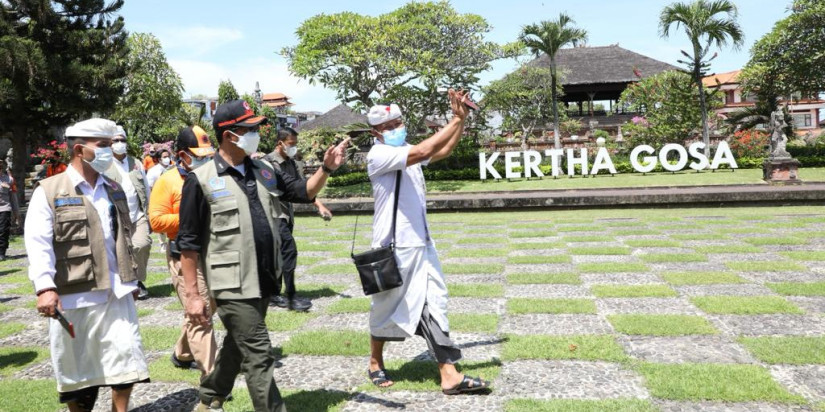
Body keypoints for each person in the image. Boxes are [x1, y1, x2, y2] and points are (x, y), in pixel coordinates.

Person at [177, 100, 349, 412]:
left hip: (265, 276)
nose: (258, 133)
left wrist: (326, 168)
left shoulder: (264, 170)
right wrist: (192, 296)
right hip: (230, 283)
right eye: (251, 129)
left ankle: (210, 394)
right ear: (230, 135)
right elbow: (187, 243)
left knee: (238, 344)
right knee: (259, 354)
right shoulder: (199, 179)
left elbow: (303, 192)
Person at [365, 91, 489, 395]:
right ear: (375, 132)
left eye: (399, 122)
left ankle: (449, 374)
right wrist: (455, 118)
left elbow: (442, 150)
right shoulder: (379, 155)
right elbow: (422, 151)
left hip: (421, 241)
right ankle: (374, 361)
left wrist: (463, 120)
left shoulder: (406, 148)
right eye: (389, 125)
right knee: (384, 307)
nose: (397, 128)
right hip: (394, 246)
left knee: (435, 301)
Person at [25, 118, 149, 412]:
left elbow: (125, 236)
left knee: (126, 363)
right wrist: (45, 287)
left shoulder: (114, 188)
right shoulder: (50, 190)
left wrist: (130, 279)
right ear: (80, 150)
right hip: (74, 297)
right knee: (79, 375)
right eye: (104, 145)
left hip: (116, 293)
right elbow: (38, 242)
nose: (112, 149)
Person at [149, 125, 218, 378]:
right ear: (182, 155)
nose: (204, 159)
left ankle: (183, 353)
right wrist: (190, 217)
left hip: (211, 250)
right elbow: (155, 221)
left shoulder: (213, 176)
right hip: (183, 253)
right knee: (202, 311)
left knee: (210, 303)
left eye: (207, 155)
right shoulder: (167, 181)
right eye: (198, 155)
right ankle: (212, 378)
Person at [264, 127, 333, 311]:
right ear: (280, 143)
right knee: (288, 250)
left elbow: (302, 189)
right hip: (272, 214)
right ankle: (290, 296)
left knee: (280, 255)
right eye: (291, 144)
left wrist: (319, 206)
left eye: (295, 144)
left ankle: (274, 293)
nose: (294, 147)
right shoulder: (267, 162)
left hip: (286, 215)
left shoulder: (293, 164)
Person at [105, 126, 152, 300]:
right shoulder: (105, 164)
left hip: (137, 214)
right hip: (117, 215)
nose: (119, 144)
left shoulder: (136, 163)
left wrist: (149, 212)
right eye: (115, 140)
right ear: (109, 144)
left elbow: (146, 189)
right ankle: (129, 282)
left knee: (142, 244)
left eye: (122, 140)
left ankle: (138, 279)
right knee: (121, 251)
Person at [0, 159, 19, 260]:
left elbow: (13, 197)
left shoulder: (9, 179)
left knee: (3, 230)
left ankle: (2, 252)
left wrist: (16, 212)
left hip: (4, 208)